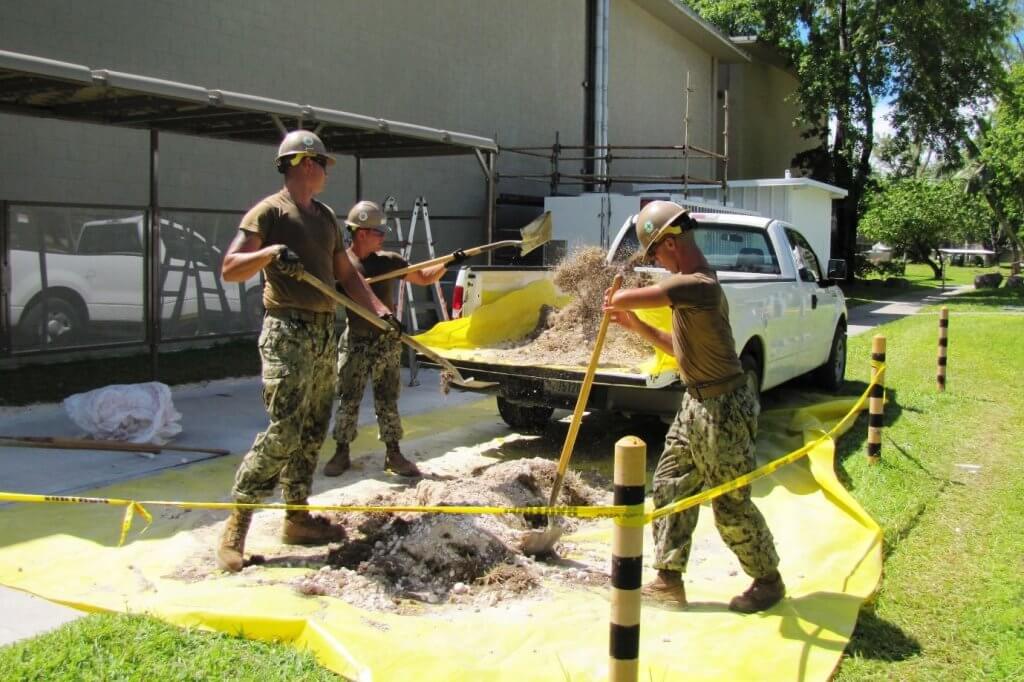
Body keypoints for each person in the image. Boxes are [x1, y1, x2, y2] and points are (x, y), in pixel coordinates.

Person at [216, 130, 395, 573]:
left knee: (314, 428)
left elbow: (346, 277)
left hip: (321, 330)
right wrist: (272, 253)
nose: (323, 169)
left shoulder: (326, 217)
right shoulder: (271, 212)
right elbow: (230, 268)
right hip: (288, 331)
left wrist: (378, 310)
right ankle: (237, 525)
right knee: (285, 430)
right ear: (298, 164)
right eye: (318, 162)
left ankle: (297, 518)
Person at [603, 200, 785, 613]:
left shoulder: (699, 284)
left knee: (729, 501)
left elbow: (660, 293)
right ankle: (669, 580)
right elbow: (682, 353)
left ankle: (768, 581)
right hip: (695, 402)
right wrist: (636, 326)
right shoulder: (686, 288)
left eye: (654, 253)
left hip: (724, 409)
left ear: (670, 242)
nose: (656, 262)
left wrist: (620, 297)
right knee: (669, 483)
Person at [323, 201, 466, 478]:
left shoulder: (389, 261)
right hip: (356, 340)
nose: (384, 236)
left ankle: (394, 454)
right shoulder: (342, 265)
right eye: (379, 231)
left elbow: (424, 278)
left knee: (387, 398)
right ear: (362, 232)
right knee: (348, 398)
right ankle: (341, 452)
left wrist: (449, 263)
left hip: (386, 341)